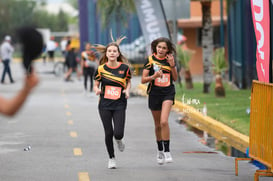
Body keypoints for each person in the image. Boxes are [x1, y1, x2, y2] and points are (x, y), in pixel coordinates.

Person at [93, 38, 131, 169]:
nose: (112, 53)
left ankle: (119, 139)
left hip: (120, 103)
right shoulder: (101, 69)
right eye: (109, 51)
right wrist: (97, 89)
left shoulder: (125, 68)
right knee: (108, 133)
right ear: (106, 54)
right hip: (104, 104)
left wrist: (127, 90)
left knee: (118, 133)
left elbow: (128, 82)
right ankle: (111, 158)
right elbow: (96, 84)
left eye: (115, 51)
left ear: (118, 53)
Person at [141, 37, 178, 165]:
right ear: (155, 47)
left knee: (164, 121)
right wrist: (154, 76)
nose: (161, 50)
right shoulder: (150, 60)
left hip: (168, 92)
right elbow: (143, 79)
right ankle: (160, 151)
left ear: (168, 50)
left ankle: (167, 151)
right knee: (157, 125)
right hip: (154, 94)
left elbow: (175, 78)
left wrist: (172, 64)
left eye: (164, 48)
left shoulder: (169, 60)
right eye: (159, 47)